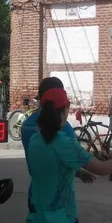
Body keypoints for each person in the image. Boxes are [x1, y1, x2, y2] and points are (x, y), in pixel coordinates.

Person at [25, 88, 112, 223]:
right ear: (65, 110)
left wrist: (78, 172)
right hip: (62, 221)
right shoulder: (64, 143)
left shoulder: (34, 140)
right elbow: (102, 169)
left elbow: (49, 167)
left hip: (38, 217)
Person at [21, 77, 93, 211]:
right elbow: (68, 160)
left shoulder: (27, 124)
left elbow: (48, 160)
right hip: (58, 200)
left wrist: (79, 173)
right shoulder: (64, 128)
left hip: (36, 194)